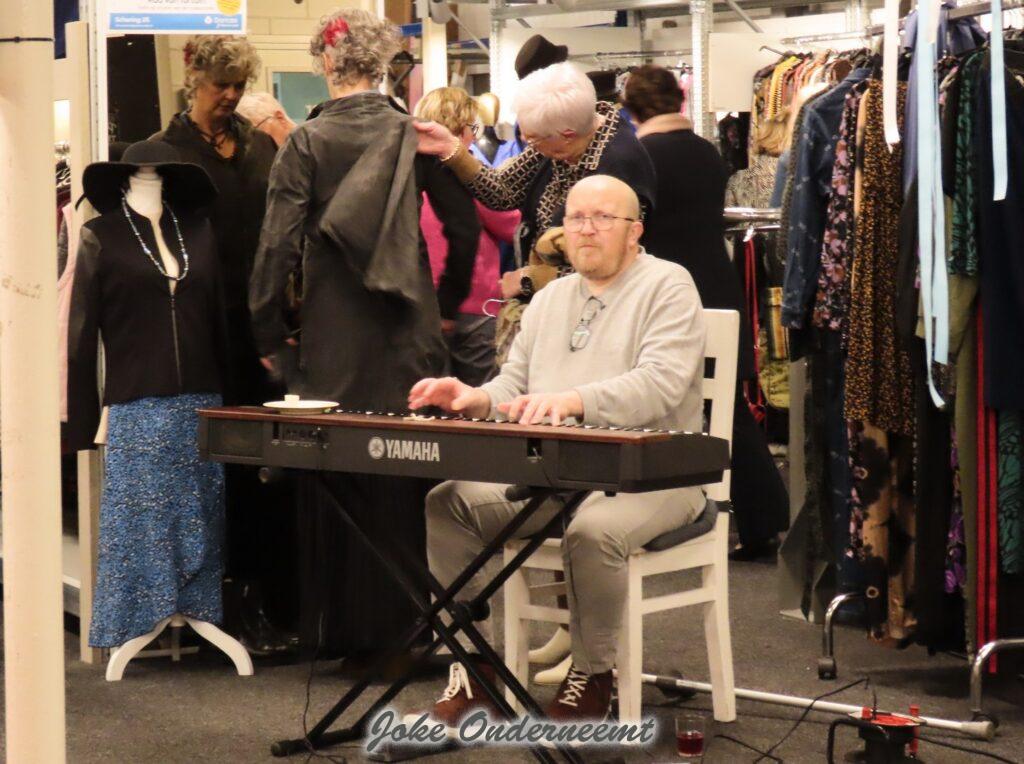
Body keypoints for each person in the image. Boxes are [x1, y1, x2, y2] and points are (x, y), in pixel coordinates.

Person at [406, 175, 707, 727]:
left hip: (656, 477)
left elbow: (660, 385)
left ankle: (592, 677)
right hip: (557, 474)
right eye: (575, 219)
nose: (586, 230)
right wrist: (474, 398)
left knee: (594, 531)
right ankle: (475, 672)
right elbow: (513, 387)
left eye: (603, 218)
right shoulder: (549, 299)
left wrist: (574, 401)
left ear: (635, 231)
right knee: (448, 502)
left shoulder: (669, 284)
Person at [248, 9, 479, 658]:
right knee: (406, 471)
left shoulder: (305, 144)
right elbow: (463, 228)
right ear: (381, 67)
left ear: (326, 65)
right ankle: (410, 627)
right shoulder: (416, 135)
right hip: (409, 327)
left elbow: (276, 246)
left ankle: (343, 632)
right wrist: (446, 305)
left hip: (333, 332)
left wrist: (269, 330)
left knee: (338, 472)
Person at [151, 35, 294, 650]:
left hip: (261, 330)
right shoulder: (163, 153)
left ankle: (263, 600)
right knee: (211, 471)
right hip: (199, 334)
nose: (230, 95)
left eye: (238, 85)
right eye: (220, 85)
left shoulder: (260, 146)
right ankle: (217, 602)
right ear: (195, 81)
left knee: (265, 469)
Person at [624, 65, 789, 560]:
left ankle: (680, 517)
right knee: (728, 410)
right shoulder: (706, 152)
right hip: (717, 284)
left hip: (668, 294)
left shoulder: (639, 157)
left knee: (667, 408)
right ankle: (763, 519)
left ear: (632, 108)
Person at [67, 140, 227, 648]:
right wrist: (81, 422)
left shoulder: (199, 233)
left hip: (203, 403)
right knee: (142, 523)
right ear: (124, 180)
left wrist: (236, 403)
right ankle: (134, 626)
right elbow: (80, 334)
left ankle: (197, 614)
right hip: (137, 405)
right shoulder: (101, 236)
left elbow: (220, 321)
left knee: (200, 519)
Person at [415, 86, 521, 386]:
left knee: (427, 396)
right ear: (463, 131)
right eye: (473, 129)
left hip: (421, 305)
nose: (474, 137)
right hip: (475, 303)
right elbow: (509, 225)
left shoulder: (408, 169)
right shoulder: (469, 170)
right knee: (481, 399)